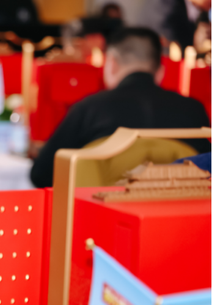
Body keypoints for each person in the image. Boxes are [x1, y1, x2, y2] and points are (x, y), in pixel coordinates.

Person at [30, 27, 211, 188]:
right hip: (178, 214)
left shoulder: (89, 108)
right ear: (161, 71)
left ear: (112, 63)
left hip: (97, 213)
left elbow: (41, 174)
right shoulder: (193, 110)